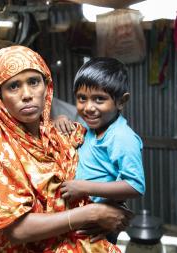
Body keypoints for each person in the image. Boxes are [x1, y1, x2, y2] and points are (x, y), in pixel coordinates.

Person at [0, 46, 132, 252]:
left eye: (33, 82)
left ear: (46, 86)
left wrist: (113, 208)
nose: (27, 94)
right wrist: (93, 214)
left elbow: (107, 161)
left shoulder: (57, 132)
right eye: (13, 86)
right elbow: (17, 231)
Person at [54, 57, 145, 243]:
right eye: (82, 98)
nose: (88, 107)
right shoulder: (90, 130)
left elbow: (135, 186)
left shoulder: (121, 137)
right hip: (83, 218)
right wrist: (60, 120)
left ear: (121, 101)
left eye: (99, 99)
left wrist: (82, 187)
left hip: (100, 225)